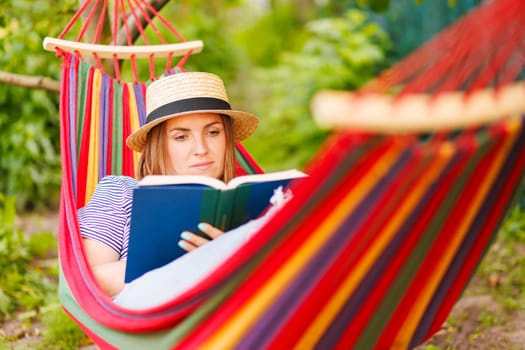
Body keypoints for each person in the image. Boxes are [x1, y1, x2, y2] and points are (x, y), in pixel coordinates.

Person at [78, 72, 290, 308]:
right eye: (181, 137)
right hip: (155, 320)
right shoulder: (121, 193)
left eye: (213, 132)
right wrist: (199, 260)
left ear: (227, 139)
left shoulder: (253, 199)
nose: (201, 149)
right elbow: (87, 280)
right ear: (160, 146)